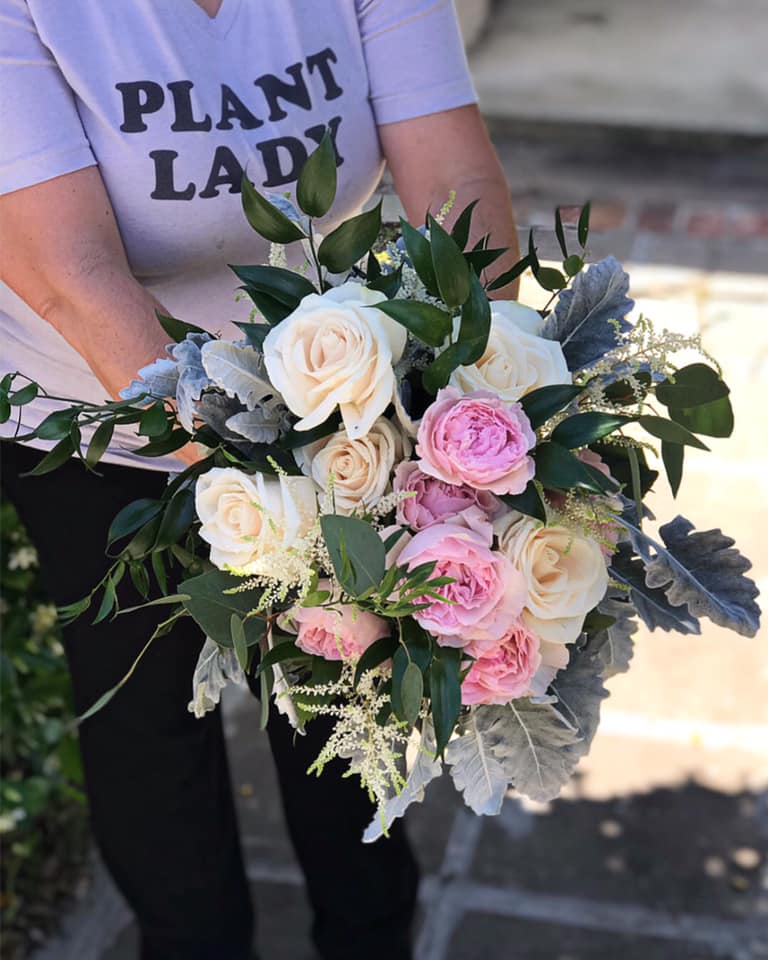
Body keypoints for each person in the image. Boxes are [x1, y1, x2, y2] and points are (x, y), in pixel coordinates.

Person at [0, 2, 519, 958]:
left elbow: (456, 181)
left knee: (348, 697)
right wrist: (274, 501)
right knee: (151, 732)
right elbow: (70, 271)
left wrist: (475, 412)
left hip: (328, 390)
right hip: (96, 417)